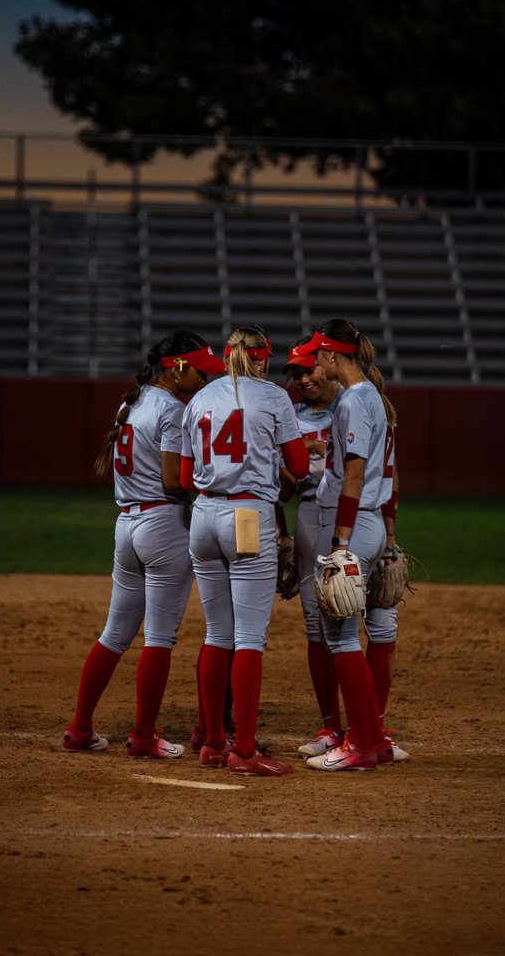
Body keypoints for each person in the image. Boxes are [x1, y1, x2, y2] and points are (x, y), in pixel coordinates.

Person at [61, 331, 225, 757]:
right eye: (200, 372)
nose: (205, 382)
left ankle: (80, 727)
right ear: (177, 368)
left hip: (127, 525)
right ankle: (144, 736)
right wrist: (218, 485)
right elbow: (175, 480)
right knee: (158, 638)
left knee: (114, 634)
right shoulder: (172, 409)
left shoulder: (130, 402)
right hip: (164, 525)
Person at [180, 324, 310, 776]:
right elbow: (299, 465)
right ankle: (246, 752)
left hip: (202, 516)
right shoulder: (273, 397)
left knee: (217, 633)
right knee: (249, 638)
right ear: (263, 357)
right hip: (248, 517)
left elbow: (183, 476)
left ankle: (214, 742)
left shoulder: (199, 398)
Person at [293, 318, 406, 772]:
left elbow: (354, 475)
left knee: (339, 636)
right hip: (368, 522)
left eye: (319, 355)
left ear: (334, 356)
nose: (315, 364)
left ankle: (361, 744)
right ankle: (371, 740)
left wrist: (339, 541)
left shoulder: (355, 401)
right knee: (344, 635)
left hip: (352, 523)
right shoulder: (371, 399)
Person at [278, 339, 345, 755]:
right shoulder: (290, 418)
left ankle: (369, 727)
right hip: (307, 513)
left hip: (348, 516)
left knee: (350, 615)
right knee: (314, 623)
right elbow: (283, 489)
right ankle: (330, 728)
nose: (303, 380)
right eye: (296, 374)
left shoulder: (353, 406)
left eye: (309, 371)